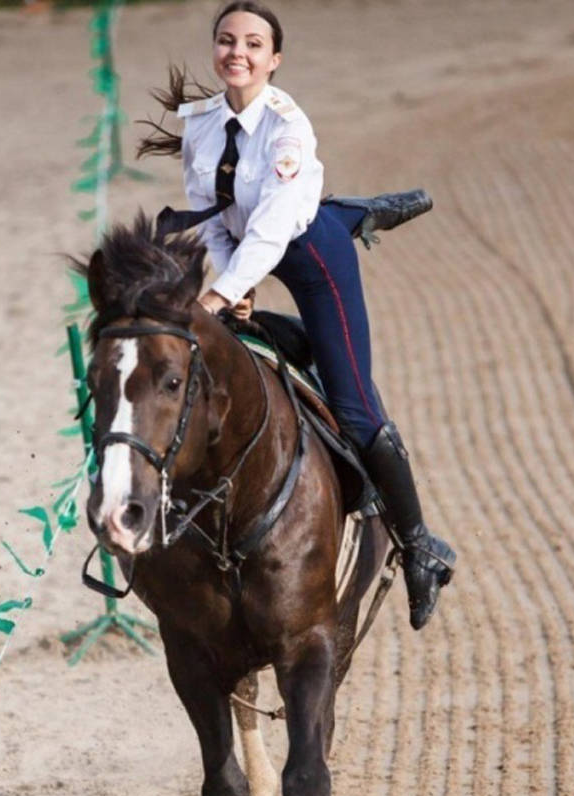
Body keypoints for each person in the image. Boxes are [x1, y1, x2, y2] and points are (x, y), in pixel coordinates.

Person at [137, 1, 455, 630]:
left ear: (273, 60)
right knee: (225, 336)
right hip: (247, 248)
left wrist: (222, 295)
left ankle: (421, 545)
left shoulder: (287, 128)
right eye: (227, 41)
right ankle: (354, 210)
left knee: (355, 404)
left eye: (253, 45)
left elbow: (273, 230)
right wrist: (233, 287)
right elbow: (212, 216)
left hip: (308, 252)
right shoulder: (201, 124)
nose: (238, 53)